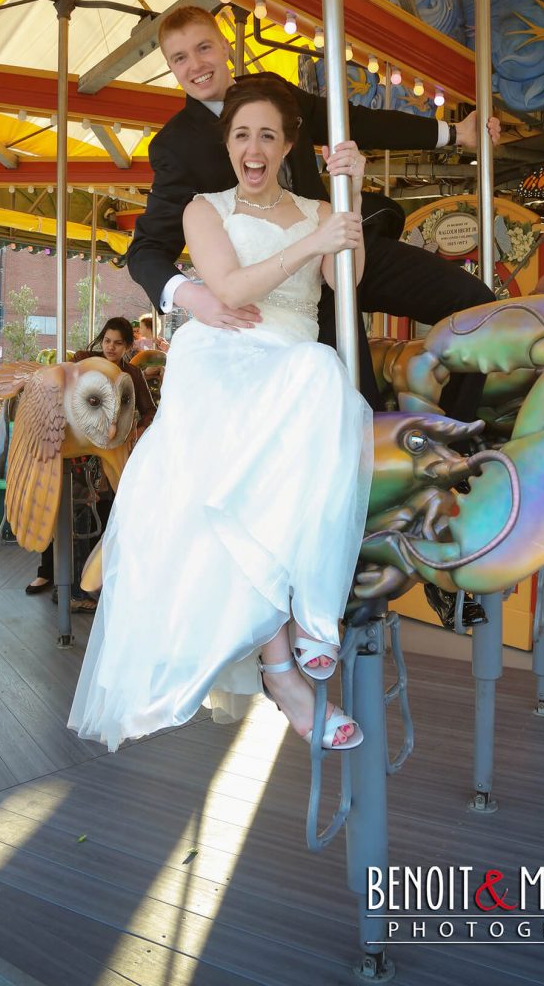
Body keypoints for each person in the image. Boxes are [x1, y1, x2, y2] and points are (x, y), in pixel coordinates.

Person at [69, 78, 372, 753]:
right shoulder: (205, 210)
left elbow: (343, 283)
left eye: (268, 134)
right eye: (241, 135)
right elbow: (229, 288)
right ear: (227, 145)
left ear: (290, 144)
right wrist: (309, 239)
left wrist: (346, 200)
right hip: (224, 356)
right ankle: (282, 670)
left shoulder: (319, 206)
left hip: (292, 360)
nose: (254, 148)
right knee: (241, 468)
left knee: (327, 378)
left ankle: (313, 621)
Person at [127, 5, 500, 422]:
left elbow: (354, 121)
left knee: (476, 303)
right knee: (358, 409)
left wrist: (452, 133)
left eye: (203, 48)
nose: (195, 65)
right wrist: (194, 297)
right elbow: (145, 249)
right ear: (170, 68)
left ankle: (458, 434)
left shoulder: (274, 91)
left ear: (226, 47)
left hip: (338, 248)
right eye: (180, 58)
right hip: (283, 293)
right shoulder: (175, 146)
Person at [26, 319, 156, 602]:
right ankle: (50, 572)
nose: (111, 347)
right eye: (107, 340)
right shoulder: (83, 361)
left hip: (108, 453)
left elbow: (149, 410)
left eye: (118, 343)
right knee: (61, 510)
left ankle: (89, 583)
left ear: (127, 346)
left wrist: (135, 428)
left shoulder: (132, 373)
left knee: (101, 515)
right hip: (77, 453)